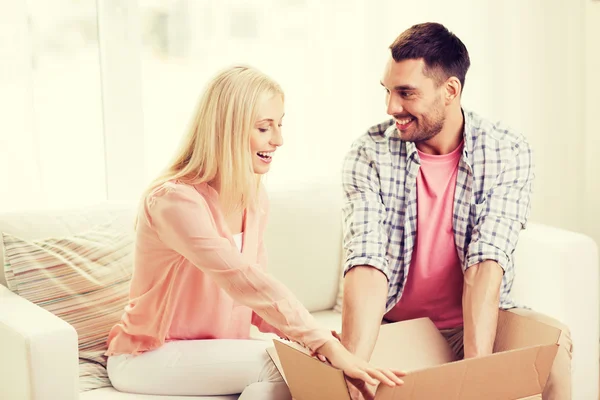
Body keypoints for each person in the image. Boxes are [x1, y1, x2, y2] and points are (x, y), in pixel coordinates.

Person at [104, 66, 405, 399]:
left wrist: (318, 342)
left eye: (279, 125)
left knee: (292, 377)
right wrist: (316, 340)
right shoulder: (174, 201)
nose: (278, 139)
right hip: (147, 356)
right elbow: (245, 281)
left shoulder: (254, 199)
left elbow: (253, 305)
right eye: (264, 127)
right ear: (228, 131)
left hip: (212, 351)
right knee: (281, 365)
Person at [340, 22, 572, 400]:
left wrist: (476, 376)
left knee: (555, 348)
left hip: (479, 322)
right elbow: (366, 259)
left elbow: (487, 260)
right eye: (387, 91)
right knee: (353, 382)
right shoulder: (369, 152)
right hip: (405, 325)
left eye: (406, 93)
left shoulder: (506, 150)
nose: (391, 107)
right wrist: (353, 365)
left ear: (450, 90)